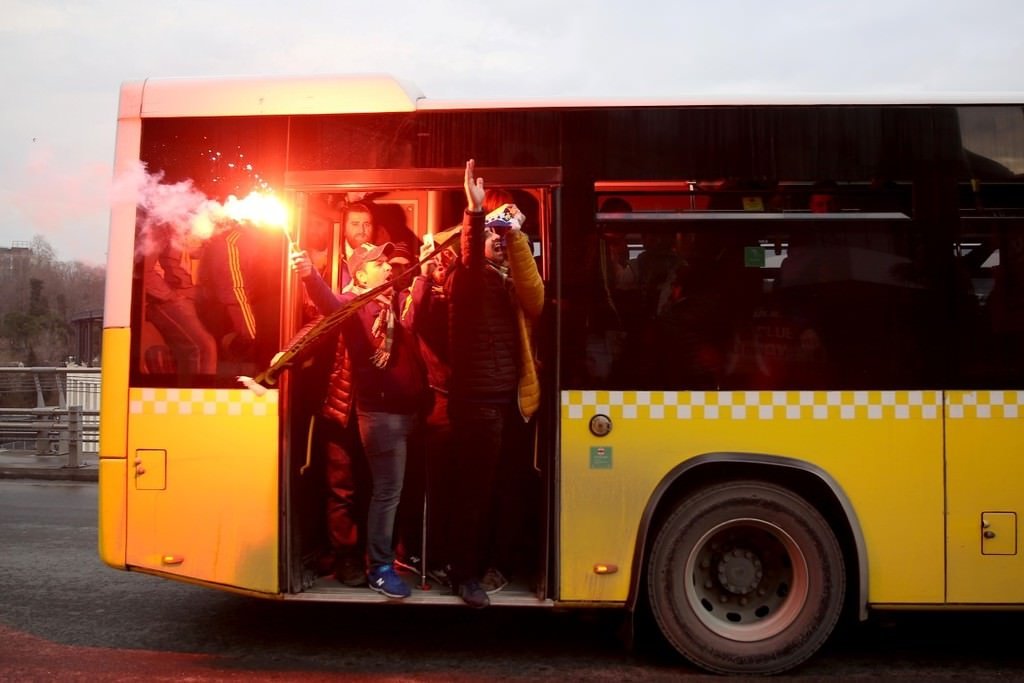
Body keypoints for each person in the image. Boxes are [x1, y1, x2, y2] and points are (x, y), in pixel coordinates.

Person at [293, 241, 427, 599]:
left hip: (409, 412)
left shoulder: (395, 302)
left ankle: (393, 557)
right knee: (387, 492)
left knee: (394, 491)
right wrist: (308, 274)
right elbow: (327, 302)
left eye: (386, 261)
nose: (386, 266)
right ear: (360, 274)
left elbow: (415, 319)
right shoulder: (354, 307)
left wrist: (425, 277)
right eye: (378, 262)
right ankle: (380, 567)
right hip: (381, 416)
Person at [444, 159, 545, 608]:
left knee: (501, 491)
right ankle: (464, 575)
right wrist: (475, 214)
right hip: (477, 403)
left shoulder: (507, 283)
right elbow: (468, 256)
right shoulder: (466, 280)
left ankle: (490, 564)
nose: (496, 244)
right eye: (492, 238)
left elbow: (536, 296)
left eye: (498, 237)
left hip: (508, 400)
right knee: (473, 495)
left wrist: (512, 233)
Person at [143, 228, 218, 375]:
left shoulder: (187, 228)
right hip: (164, 301)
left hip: (189, 297)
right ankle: (201, 395)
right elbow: (144, 272)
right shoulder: (160, 229)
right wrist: (170, 296)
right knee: (204, 347)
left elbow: (194, 254)